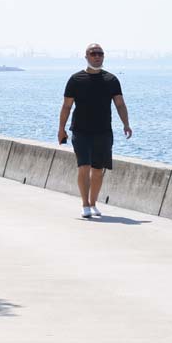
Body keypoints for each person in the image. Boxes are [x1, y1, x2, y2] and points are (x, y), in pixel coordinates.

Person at [58, 43, 132, 218]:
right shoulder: (75, 80)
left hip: (103, 131)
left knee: (98, 170)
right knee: (84, 166)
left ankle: (93, 203)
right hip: (80, 131)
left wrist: (126, 124)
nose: (97, 56)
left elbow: (120, 104)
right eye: (93, 53)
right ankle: (85, 205)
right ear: (86, 56)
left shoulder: (111, 80)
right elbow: (67, 106)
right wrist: (61, 129)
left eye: (100, 53)